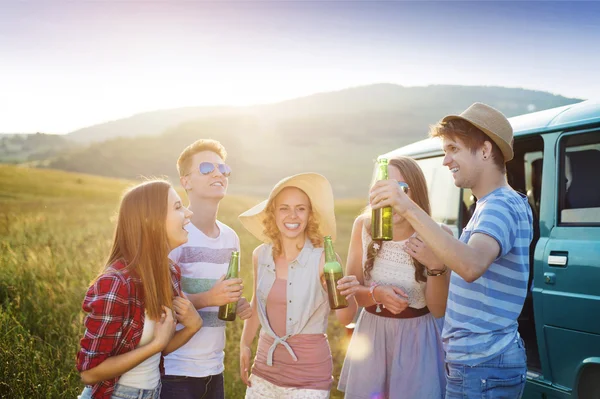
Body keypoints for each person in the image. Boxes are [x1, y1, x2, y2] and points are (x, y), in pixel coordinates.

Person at [370, 103, 532, 398]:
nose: (446, 161)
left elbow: (471, 265)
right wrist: (437, 263)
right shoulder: (490, 205)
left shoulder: (500, 205)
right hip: (476, 364)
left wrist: (406, 205)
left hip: (483, 365)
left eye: (453, 149)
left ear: (484, 151)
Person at [238, 172, 360, 399]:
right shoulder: (260, 255)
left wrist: (347, 294)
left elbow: (345, 318)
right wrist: (245, 344)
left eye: (300, 208)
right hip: (265, 368)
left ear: (309, 214)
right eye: (284, 208)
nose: (292, 215)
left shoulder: (324, 259)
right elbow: (257, 303)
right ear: (273, 213)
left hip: (308, 376)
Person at [76, 180, 202, 399]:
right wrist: (156, 345)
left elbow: (158, 349)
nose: (188, 213)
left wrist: (192, 327)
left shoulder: (169, 273)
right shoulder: (116, 284)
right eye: (178, 207)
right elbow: (90, 373)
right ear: (150, 220)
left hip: (153, 392)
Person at [338, 156, 450, 399]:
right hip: (372, 338)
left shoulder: (439, 234)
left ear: (416, 194)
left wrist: (434, 265)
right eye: (383, 187)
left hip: (418, 341)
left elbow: (438, 309)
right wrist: (374, 293)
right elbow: (350, 290)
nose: (390, 196)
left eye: (400, 188)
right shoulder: (364, 227)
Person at [161, 139, 252, 399]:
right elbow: (160, 306)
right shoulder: (176, 234)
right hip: (176, 369)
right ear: (186, 181)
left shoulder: (230, 238)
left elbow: (221, 301)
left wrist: (236, 303)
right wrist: (210, 298)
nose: (218, 173)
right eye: (205, 168)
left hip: (214, 368)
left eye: (223, 168)